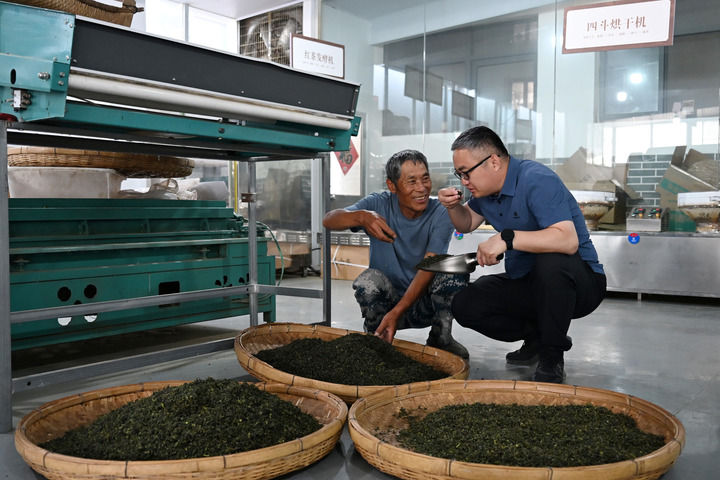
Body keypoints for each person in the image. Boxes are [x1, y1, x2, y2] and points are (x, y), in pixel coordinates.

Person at [437, 126, 606, 382]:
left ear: (493, 162)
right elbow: (466, 223)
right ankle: (538, 336)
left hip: (579, 283)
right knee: (466, 304)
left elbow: (567, 240)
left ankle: (552, 352)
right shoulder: (486, 192)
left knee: (552, 260)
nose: (463, 181)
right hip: (528, 282)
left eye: (466, 173)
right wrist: (452, 207)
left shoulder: (536, 179)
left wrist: (506, 239)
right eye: (458, 174)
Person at [323, 149, 470, 358]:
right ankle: (376, 337)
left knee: (453, 267)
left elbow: (430, 265)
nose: (421, 188)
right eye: (411, 181)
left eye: (425, 179)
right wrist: (362, 217)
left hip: (423, 306)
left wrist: (398, 312)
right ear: (392, 186)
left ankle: (441, 337)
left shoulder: (441, 212)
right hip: (386, 305)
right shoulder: (378, 204)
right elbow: (329, 220)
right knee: (368, 280)